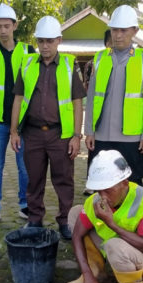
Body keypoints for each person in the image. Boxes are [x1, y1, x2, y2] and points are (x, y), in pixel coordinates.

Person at [10, 16, 86, 240]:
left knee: (64, 180)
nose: (44, 46)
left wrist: (76, 136)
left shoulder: (70, 65)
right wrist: (14, 131)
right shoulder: (26, 64)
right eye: (41, 41)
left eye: (49, 41)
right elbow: (18, 99)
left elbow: (77, 103)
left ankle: (65, 221)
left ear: (59, 41)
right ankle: (35, 219)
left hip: (59, 135)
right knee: (34, 178)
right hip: (32, 133)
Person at [65, 150, 143, 283]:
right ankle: (95, 271)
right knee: (75, 213)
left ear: (124, 183)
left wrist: (111, 223)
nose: (102, 196)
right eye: (98, 190)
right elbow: (77, 235)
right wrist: (87, 274)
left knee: (114, 244)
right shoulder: (95, 200)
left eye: (108, 190)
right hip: (118, 250)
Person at [84, 5, 143, 187]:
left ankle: (132, 216)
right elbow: (92, 97)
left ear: (135, 31)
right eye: (115, 30)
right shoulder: (100, 58)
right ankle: (103, 216)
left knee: (132, 182)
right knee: (100, 182)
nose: (118, 35)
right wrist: (89, 132)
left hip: (131, 137)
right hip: (101, 135)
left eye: (123, 30)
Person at [0, 3, 35, 226]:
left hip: (23, 122)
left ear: (15, 26)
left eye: (6, 26)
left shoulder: (28, 51)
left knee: (24, 166)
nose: (3, 30)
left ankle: (25, 205)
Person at [83, 29, 112, 196]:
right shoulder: (96, 62)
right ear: (106, 43)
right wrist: (88, 129)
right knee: (95, 156)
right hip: (98, 118)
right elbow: (89, 87)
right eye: (110, 41)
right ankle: (91, 181)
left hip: (121, 125)